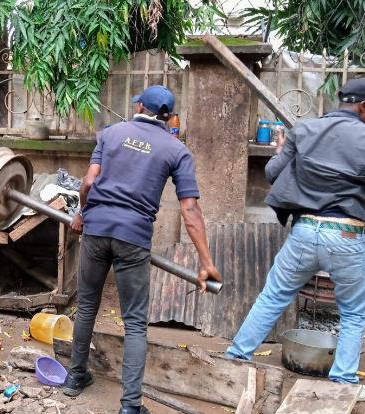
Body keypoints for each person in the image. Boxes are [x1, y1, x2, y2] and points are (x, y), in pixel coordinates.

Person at [225, 78, 365, 402]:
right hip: (348, 235)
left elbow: (272, 173)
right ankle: (342, 382)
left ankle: (235, 360)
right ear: (364, 105)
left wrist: (283, 153)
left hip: (305, 231)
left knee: (272, 297)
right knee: (352, 314)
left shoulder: (304, 130)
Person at [64, 85, 222, 414]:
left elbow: (89, 182)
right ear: (169, 117)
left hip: (96, 228)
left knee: (88, 305)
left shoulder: (111, 133)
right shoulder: (177, 150)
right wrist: (206, 262)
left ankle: (75, 377)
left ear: (138, 105)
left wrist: (82, 213)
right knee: (135, 322)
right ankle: (130, 407)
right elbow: (190, 211)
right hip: (133, 236)